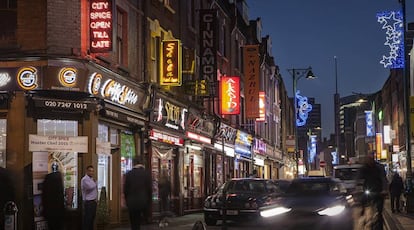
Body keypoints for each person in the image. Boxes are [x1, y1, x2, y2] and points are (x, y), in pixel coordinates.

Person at [358, 153, 388, 230]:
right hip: (368, 190)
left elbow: (383, 179)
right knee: (363, 202)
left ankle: (380, 225)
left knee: (379, 211)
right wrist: (358, 189)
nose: (369, 161)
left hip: (378, 191)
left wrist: (384, 190)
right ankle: (363, 213)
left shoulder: (379, 167)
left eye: (371, 159)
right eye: (368, 159)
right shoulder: (363, 168)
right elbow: (359, 179)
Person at [124, 158, 152, 230]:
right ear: (142, 164)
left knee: (134, 223)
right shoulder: (146, 174)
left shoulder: (129, 174)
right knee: (144, 223)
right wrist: (149, 202)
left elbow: (126, 190)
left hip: (132, 202)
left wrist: (127, 201)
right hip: (143, 202)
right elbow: (149, 189)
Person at [42, 163, 65, 230]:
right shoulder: (59, 178)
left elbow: (44, 195)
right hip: (58, 211)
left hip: (50, 210)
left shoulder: (48, 178)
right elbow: (61, 197)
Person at [81, 165, 98, 230]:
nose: (92, 172)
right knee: (88, 220)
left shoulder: (91, 179)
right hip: (88, 203)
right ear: (87, 171)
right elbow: (90, 187)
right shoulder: (85, 179)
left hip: (93, 202)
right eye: (90, 171)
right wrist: (95, 182)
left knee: (92, 220)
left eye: (92, 171)